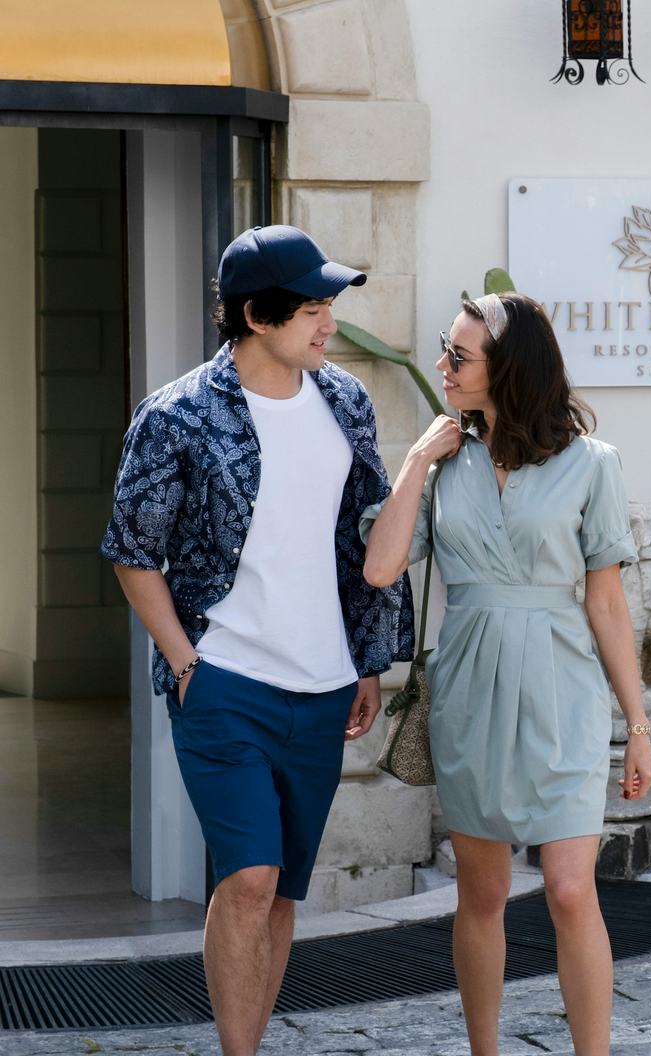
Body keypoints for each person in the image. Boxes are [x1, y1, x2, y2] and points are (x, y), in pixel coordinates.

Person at [101, 225, 409, 1056]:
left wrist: (368, 660)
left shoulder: (346, 401)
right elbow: (132, 550)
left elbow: (360, 538)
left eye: (328, 307)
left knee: (280, 893)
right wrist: (184, 661)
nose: (328, 324)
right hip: (224, 680)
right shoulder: (178, 415)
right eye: (311, 310)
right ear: (256, 316)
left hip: (325, 683)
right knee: (248, 878)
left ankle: (254, 1041)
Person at [362, 292, 651, 1056]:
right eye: (446, 349)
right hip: (471, 690)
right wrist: (416, 461)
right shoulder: (444, 463)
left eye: (458, 356)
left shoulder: (592, 464)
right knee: (484, 890)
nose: (442, 365)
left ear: (509, 368)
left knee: (570, 889)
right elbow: (381, 567)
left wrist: (639, 725)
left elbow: (606, 603)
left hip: (565, 689)